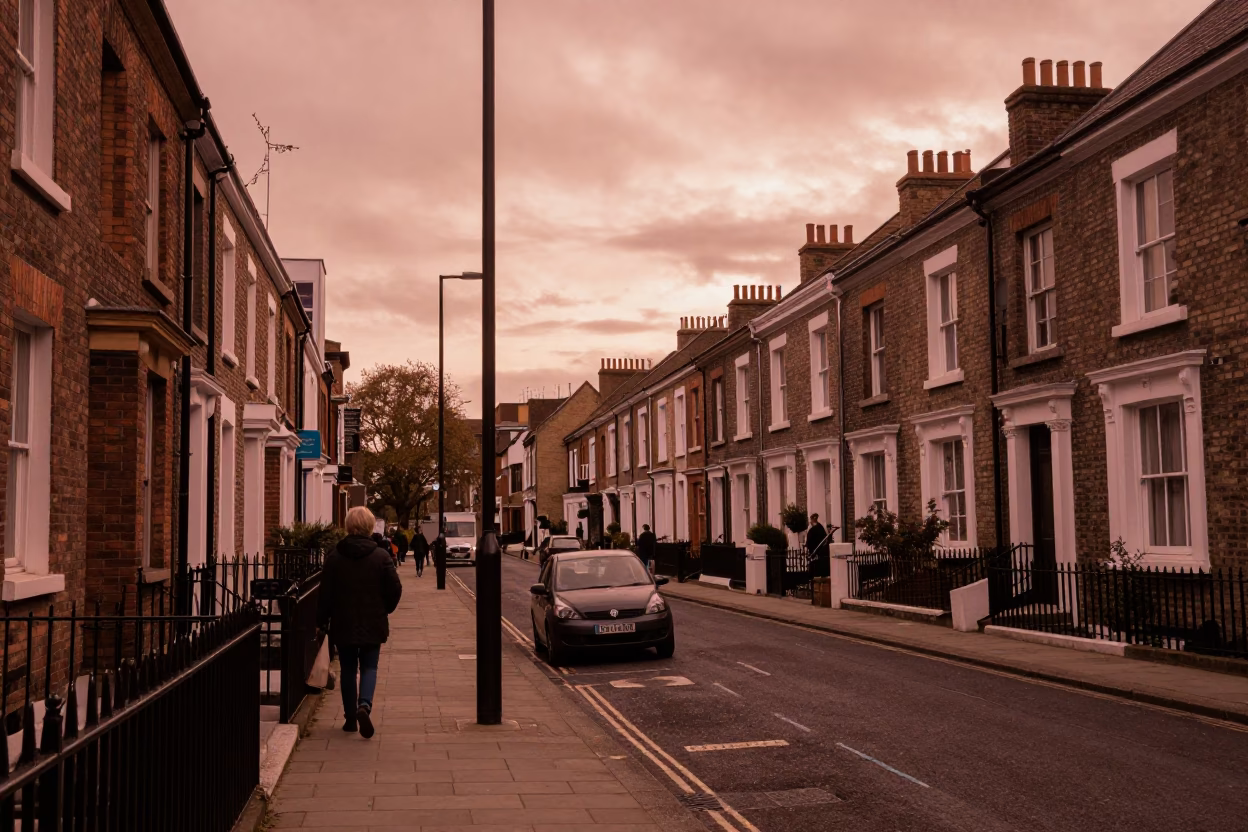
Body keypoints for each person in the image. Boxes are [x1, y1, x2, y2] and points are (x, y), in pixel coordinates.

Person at [320, 506, 402, 739]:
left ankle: (349, 720)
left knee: (347, 669)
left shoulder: (335, 557)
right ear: (368, 527)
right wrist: (385, 609)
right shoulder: (381, 556)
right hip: (372, 621)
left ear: (348, 526)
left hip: (343, 622)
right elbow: (395, 588)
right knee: (369, 667)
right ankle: (364, 705)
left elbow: (325, 593)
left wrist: (321, 620)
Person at [806, 513, 830, 578]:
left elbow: (809, 542)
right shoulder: (821, 528)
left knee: (815, 572)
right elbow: (825, 540)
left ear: (812, 520)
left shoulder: (812, 530)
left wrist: (810, 551)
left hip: (815, 554)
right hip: (822, 554)